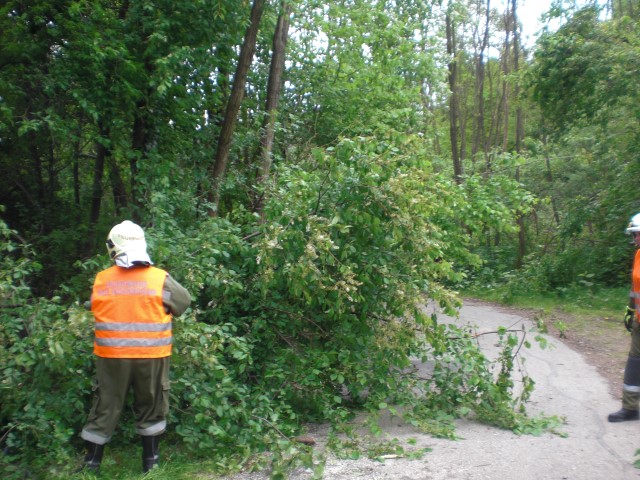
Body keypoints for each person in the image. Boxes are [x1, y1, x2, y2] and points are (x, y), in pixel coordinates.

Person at [79, 220, 191, 472]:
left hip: (111, 357)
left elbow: (94, 306)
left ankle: (91, 465)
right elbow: (183, 303)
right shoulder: (159, 278)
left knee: (105, 405)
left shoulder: (102, 279)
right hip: (151, 356)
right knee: (152, 405)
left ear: (113, 247)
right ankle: (151, 466)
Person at [609, 212, 640, 422]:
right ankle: (629, 408)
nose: (635, 238)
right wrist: (630, 310)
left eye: (637, 234)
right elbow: (635, 286)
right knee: (634, 362)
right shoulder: (639, 255)